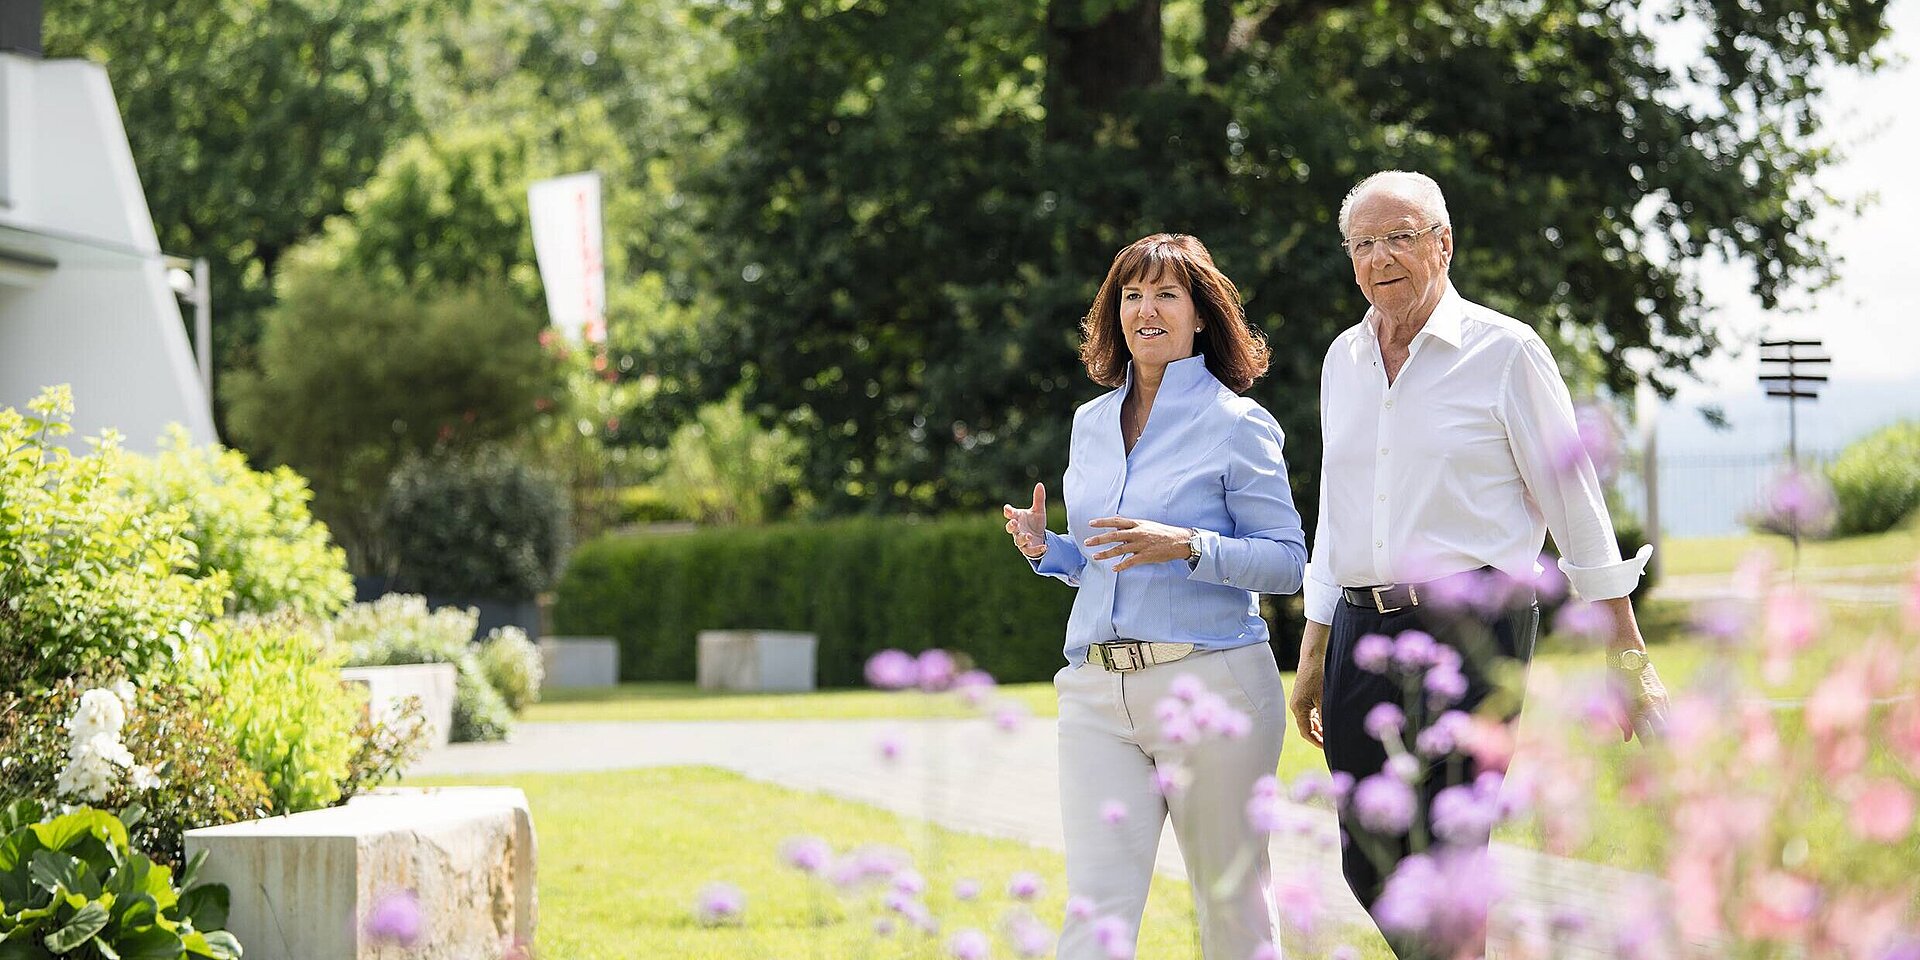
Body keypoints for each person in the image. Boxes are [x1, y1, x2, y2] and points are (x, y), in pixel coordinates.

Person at [1287, 171, 1671, 958]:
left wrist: (1625, 647)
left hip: (1474, 625)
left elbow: (1575, 505)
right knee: (1370, 856)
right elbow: (1337, 509)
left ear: (1444, 243)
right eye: (1362, 243)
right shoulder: (1342, 358)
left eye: (1399, 236)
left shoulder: (1507, 352)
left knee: (1450, 853)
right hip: (1360, 624)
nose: (1379, 256)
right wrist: (1314, 646)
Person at [1002, 233, 1309, 959]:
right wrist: (1051, 551)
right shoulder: (1089, 423)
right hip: (1094, 693)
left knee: (1232, 910)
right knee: (1095, 913)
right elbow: (1108, 560)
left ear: (1200, 314)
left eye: (1166, 294)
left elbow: (1289, 563)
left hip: (1211, 685)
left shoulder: (1240, 424)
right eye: (1132, 295)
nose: (1146, 309)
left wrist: (1188, 545)